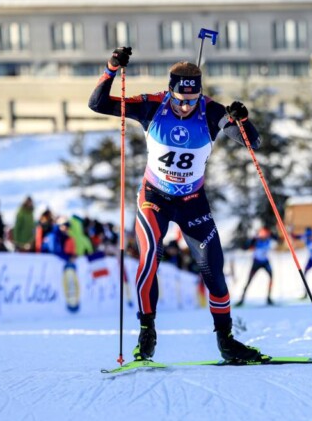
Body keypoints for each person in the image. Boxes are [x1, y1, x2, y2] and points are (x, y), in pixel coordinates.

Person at [89, 46, 267, 363]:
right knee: (148, 260)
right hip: (154, 198)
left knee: (214, 272)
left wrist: (242, 120)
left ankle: (226, 341)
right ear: (169, 91)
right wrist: (112, 67)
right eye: (180, 99)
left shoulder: (211, 111)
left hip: (192, 202)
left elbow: (252, 142)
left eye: (192, 100)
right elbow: (98, 104)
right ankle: (147, 332)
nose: (185, 106)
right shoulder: (152, 106)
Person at [236, 227, 278, 306]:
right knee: (249, 280)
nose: (265, 236)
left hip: (265, 262)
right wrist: (250, 242)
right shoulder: (256, 240)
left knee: (271, 278)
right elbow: (245, 247)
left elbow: (278, 239)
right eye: (264, 234)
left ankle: (269, 298)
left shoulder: (269, 238)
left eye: (267, 234)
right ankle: (242, 299)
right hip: (256, 262)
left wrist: (274, 233)